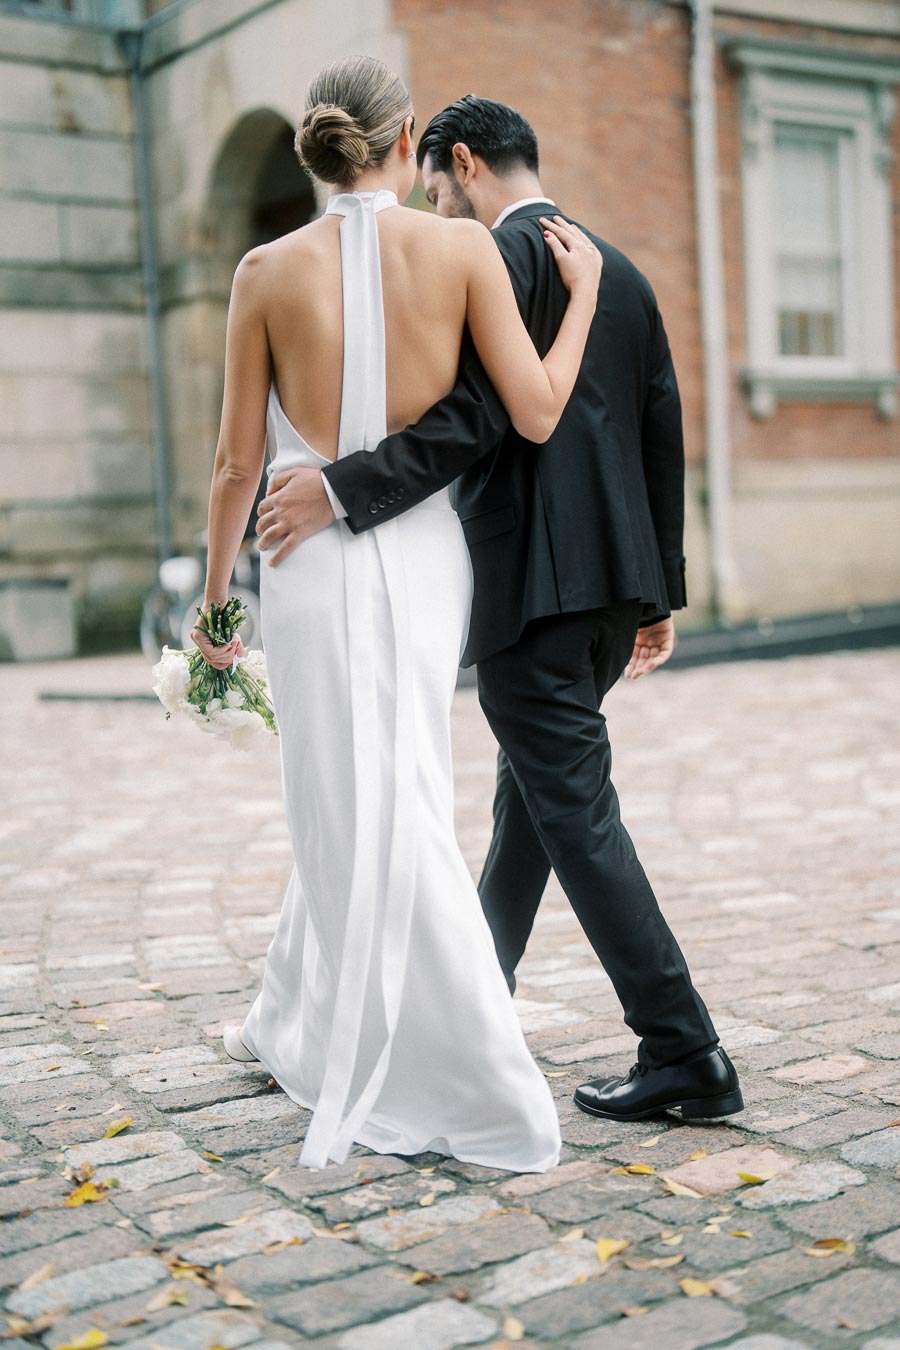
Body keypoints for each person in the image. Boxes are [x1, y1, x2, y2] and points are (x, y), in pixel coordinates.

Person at [255, 95, 744, 1125]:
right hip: (608, 595)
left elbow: (476, 417)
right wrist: (659, 591)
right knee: (530, 804)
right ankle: (482, 996)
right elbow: (663, 428)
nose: (439, 210)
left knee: (571, 810)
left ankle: (683, 1047)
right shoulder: (623, 272)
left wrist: (342, 488)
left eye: (436, 190)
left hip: (535, 593)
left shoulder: (506, 259)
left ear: (464, 163)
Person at [190, 57, 604, 1171]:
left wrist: (215, 599)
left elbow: (237, 462)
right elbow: (534, 410)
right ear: (405, 134)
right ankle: (307, 1013)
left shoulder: (264, 271)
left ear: (319, 149)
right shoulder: (463, 248)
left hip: (305, 559)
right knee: (403, 778)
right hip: (424, 555)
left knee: (340, 792)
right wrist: (585, 306)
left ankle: (462, 1063)